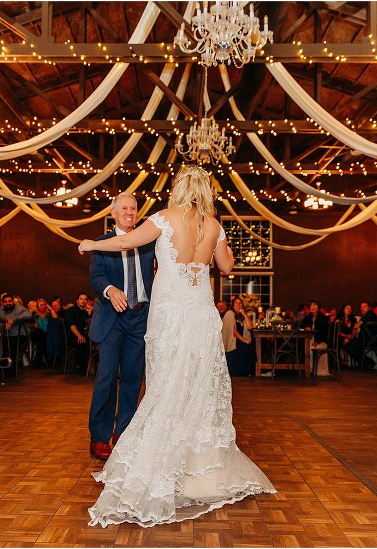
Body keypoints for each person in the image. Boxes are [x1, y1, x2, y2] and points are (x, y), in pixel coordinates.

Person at [79, 166, 275, 527]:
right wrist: (220, 240)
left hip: (169, 314)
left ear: (180, 188)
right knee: (197, 386)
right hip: (201, 315)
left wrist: (91, 243)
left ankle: (161, 462)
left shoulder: (164, 218)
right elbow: (228, 268)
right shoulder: (215, 225)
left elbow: (124, 242)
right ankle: (199, 468)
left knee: (166, 383)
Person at [85, 193, 155, 461]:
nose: (130, 211)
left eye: (133, 208)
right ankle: (100, 436)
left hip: (140, 318)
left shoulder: (147, 241)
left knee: (133, 378)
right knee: (106, 377)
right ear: (113, 213)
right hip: (113, 318)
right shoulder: (102, 243)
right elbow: (96, 277)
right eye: (124, 208)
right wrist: (110, 289)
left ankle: (123, 432)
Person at [225, 296, 256, 376]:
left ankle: (248, 372)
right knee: (245, 345)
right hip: (234, 340)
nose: (238, 305)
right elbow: (233, 330)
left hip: (241, 339)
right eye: (236, 303)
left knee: (250, 345)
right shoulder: (230, 313)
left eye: (240, 303)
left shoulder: (243, 315)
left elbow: (250, 326)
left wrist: (245, 314)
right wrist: (243, 339)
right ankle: (240, 372)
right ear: (233, 305)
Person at [63, 292, 90, 373]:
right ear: (77, 301)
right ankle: (82, 369)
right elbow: (72, 325)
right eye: (81, 299)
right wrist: (79, 336)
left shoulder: (85, 312)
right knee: (82, 342)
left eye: (85, 299)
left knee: (95, 342)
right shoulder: (71, 310)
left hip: (83, 335)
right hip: (72, 335)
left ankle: (95, 370)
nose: (83, 301)